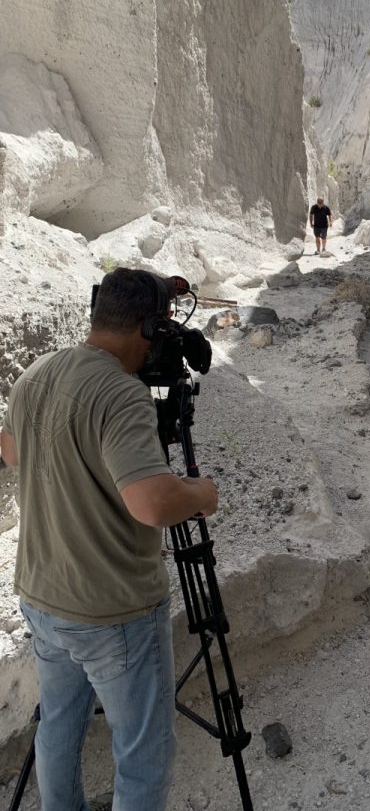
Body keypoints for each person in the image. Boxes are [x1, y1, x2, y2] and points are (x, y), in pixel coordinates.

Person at [0, 268, 218, 811]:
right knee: (143, 755)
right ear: (147, 328)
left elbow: (12, 451)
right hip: (112, 611)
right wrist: (200, 492)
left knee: (56, 728)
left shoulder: (38, 372)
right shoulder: (121, 394)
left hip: (43, 597)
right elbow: (152, 504)